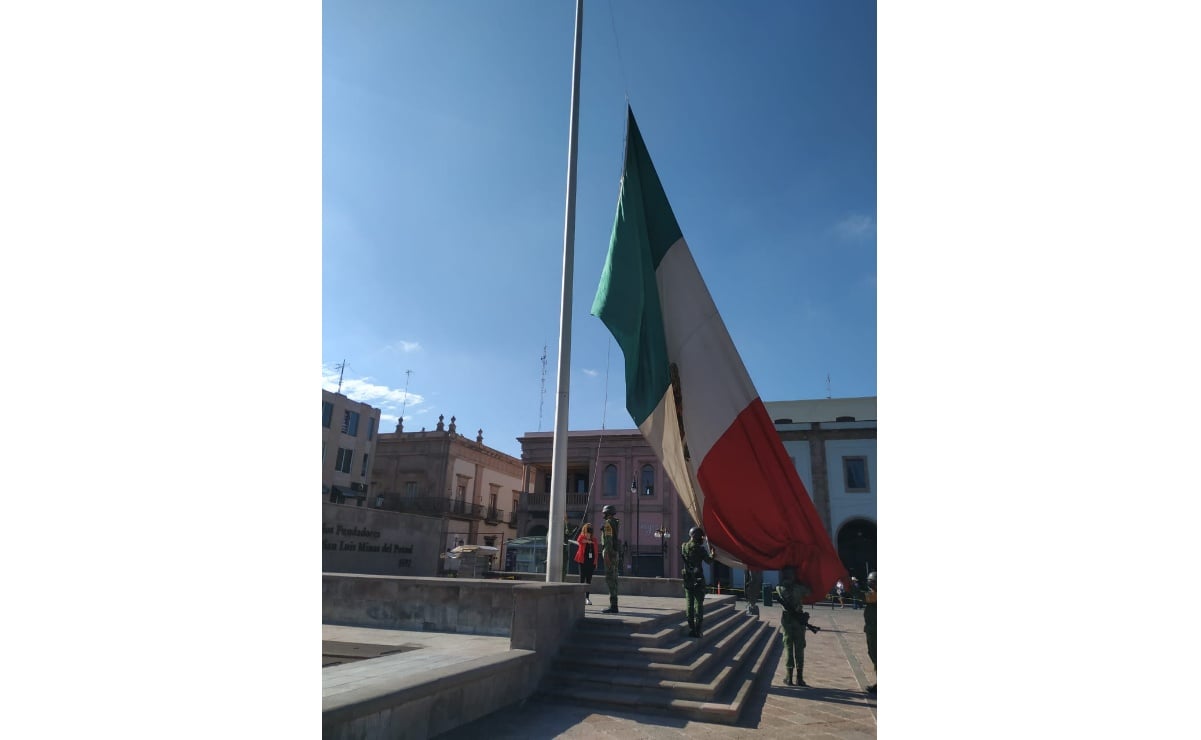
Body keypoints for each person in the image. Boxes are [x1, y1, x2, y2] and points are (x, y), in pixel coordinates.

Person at [775, 565, 819, 687]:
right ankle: (799, 678)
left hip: (787, 620)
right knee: (799, 648)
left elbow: (780, 586)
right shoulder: (800, 588)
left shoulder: (779, 588)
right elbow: (809, 592)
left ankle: (789, 677)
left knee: (788, 647)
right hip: (799, 621)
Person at [680, 527, 715, 637]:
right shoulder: (700, 549)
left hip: (687, 579)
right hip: (698, 579)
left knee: (689, 604)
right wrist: (713, 554)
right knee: (698, 604)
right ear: (695, 536)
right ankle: (698, 630)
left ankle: (691, 628)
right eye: (700, 536)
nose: (702, 539)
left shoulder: (684, 546)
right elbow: (709, 561)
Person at [601, 504, 621, 613]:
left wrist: (607, 554)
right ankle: (614, 604)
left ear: (608, 513)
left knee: (610, 579)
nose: (603, 514)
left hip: (610, 553)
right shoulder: (615, 522)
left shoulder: (608, 523)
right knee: (614, 578)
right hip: (615, 553)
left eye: (604, 513)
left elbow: (608, 539)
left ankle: (613, 605)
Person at [573, 522, 599, 605]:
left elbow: (596, 552)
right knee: (582, 579)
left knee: (589, 580)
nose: (588, 535)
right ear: (584, 532)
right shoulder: (581, 538)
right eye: (587, 533)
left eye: (590, 533)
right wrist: (587, 541)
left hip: (591, 563)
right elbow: (579, 540)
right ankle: (580, 597)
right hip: (582, 561)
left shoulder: (594, 540)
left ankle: (587, 598)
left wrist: (596, 562)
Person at [863, 571, 877, 693]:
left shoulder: (875, 596)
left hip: (875, 631)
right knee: (873, 654)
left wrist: (850, 586)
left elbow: (861, 596)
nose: (870, 584)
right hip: (872, 630)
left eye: (872, 582)